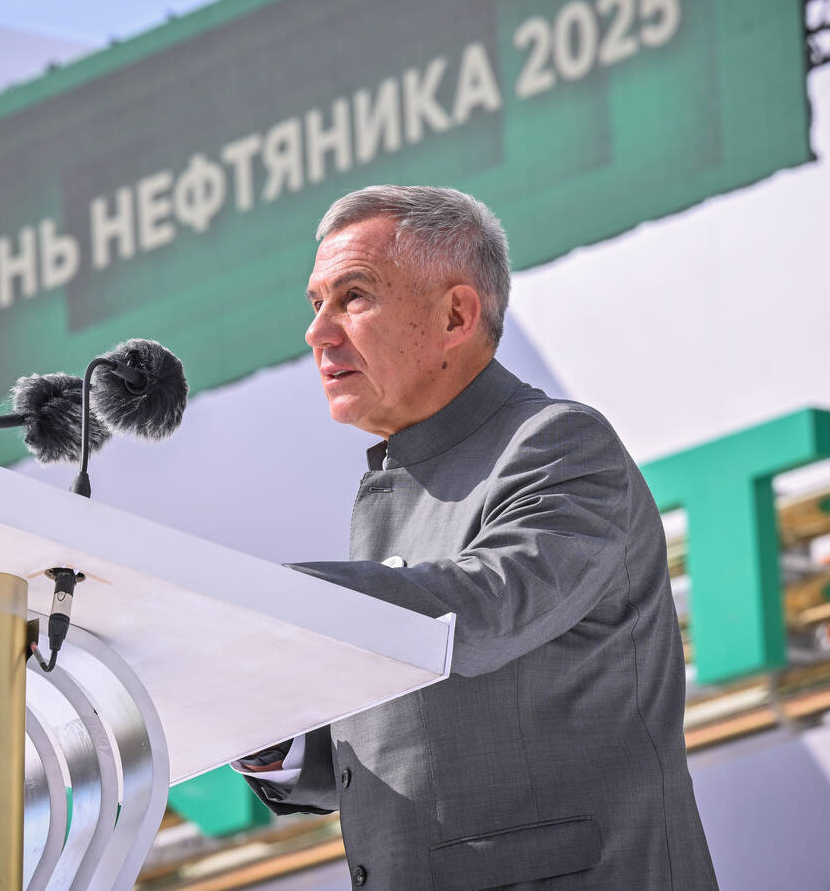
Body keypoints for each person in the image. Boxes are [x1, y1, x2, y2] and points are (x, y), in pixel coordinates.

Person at [237, 186, 718, 889]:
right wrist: (269, 738)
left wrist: (268, 596)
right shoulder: (392, 488)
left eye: (353, 297)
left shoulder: (559, 443)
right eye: (316, 304)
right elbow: (417, 738)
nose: (318, 332)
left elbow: (491, 611)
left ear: (456, 315)